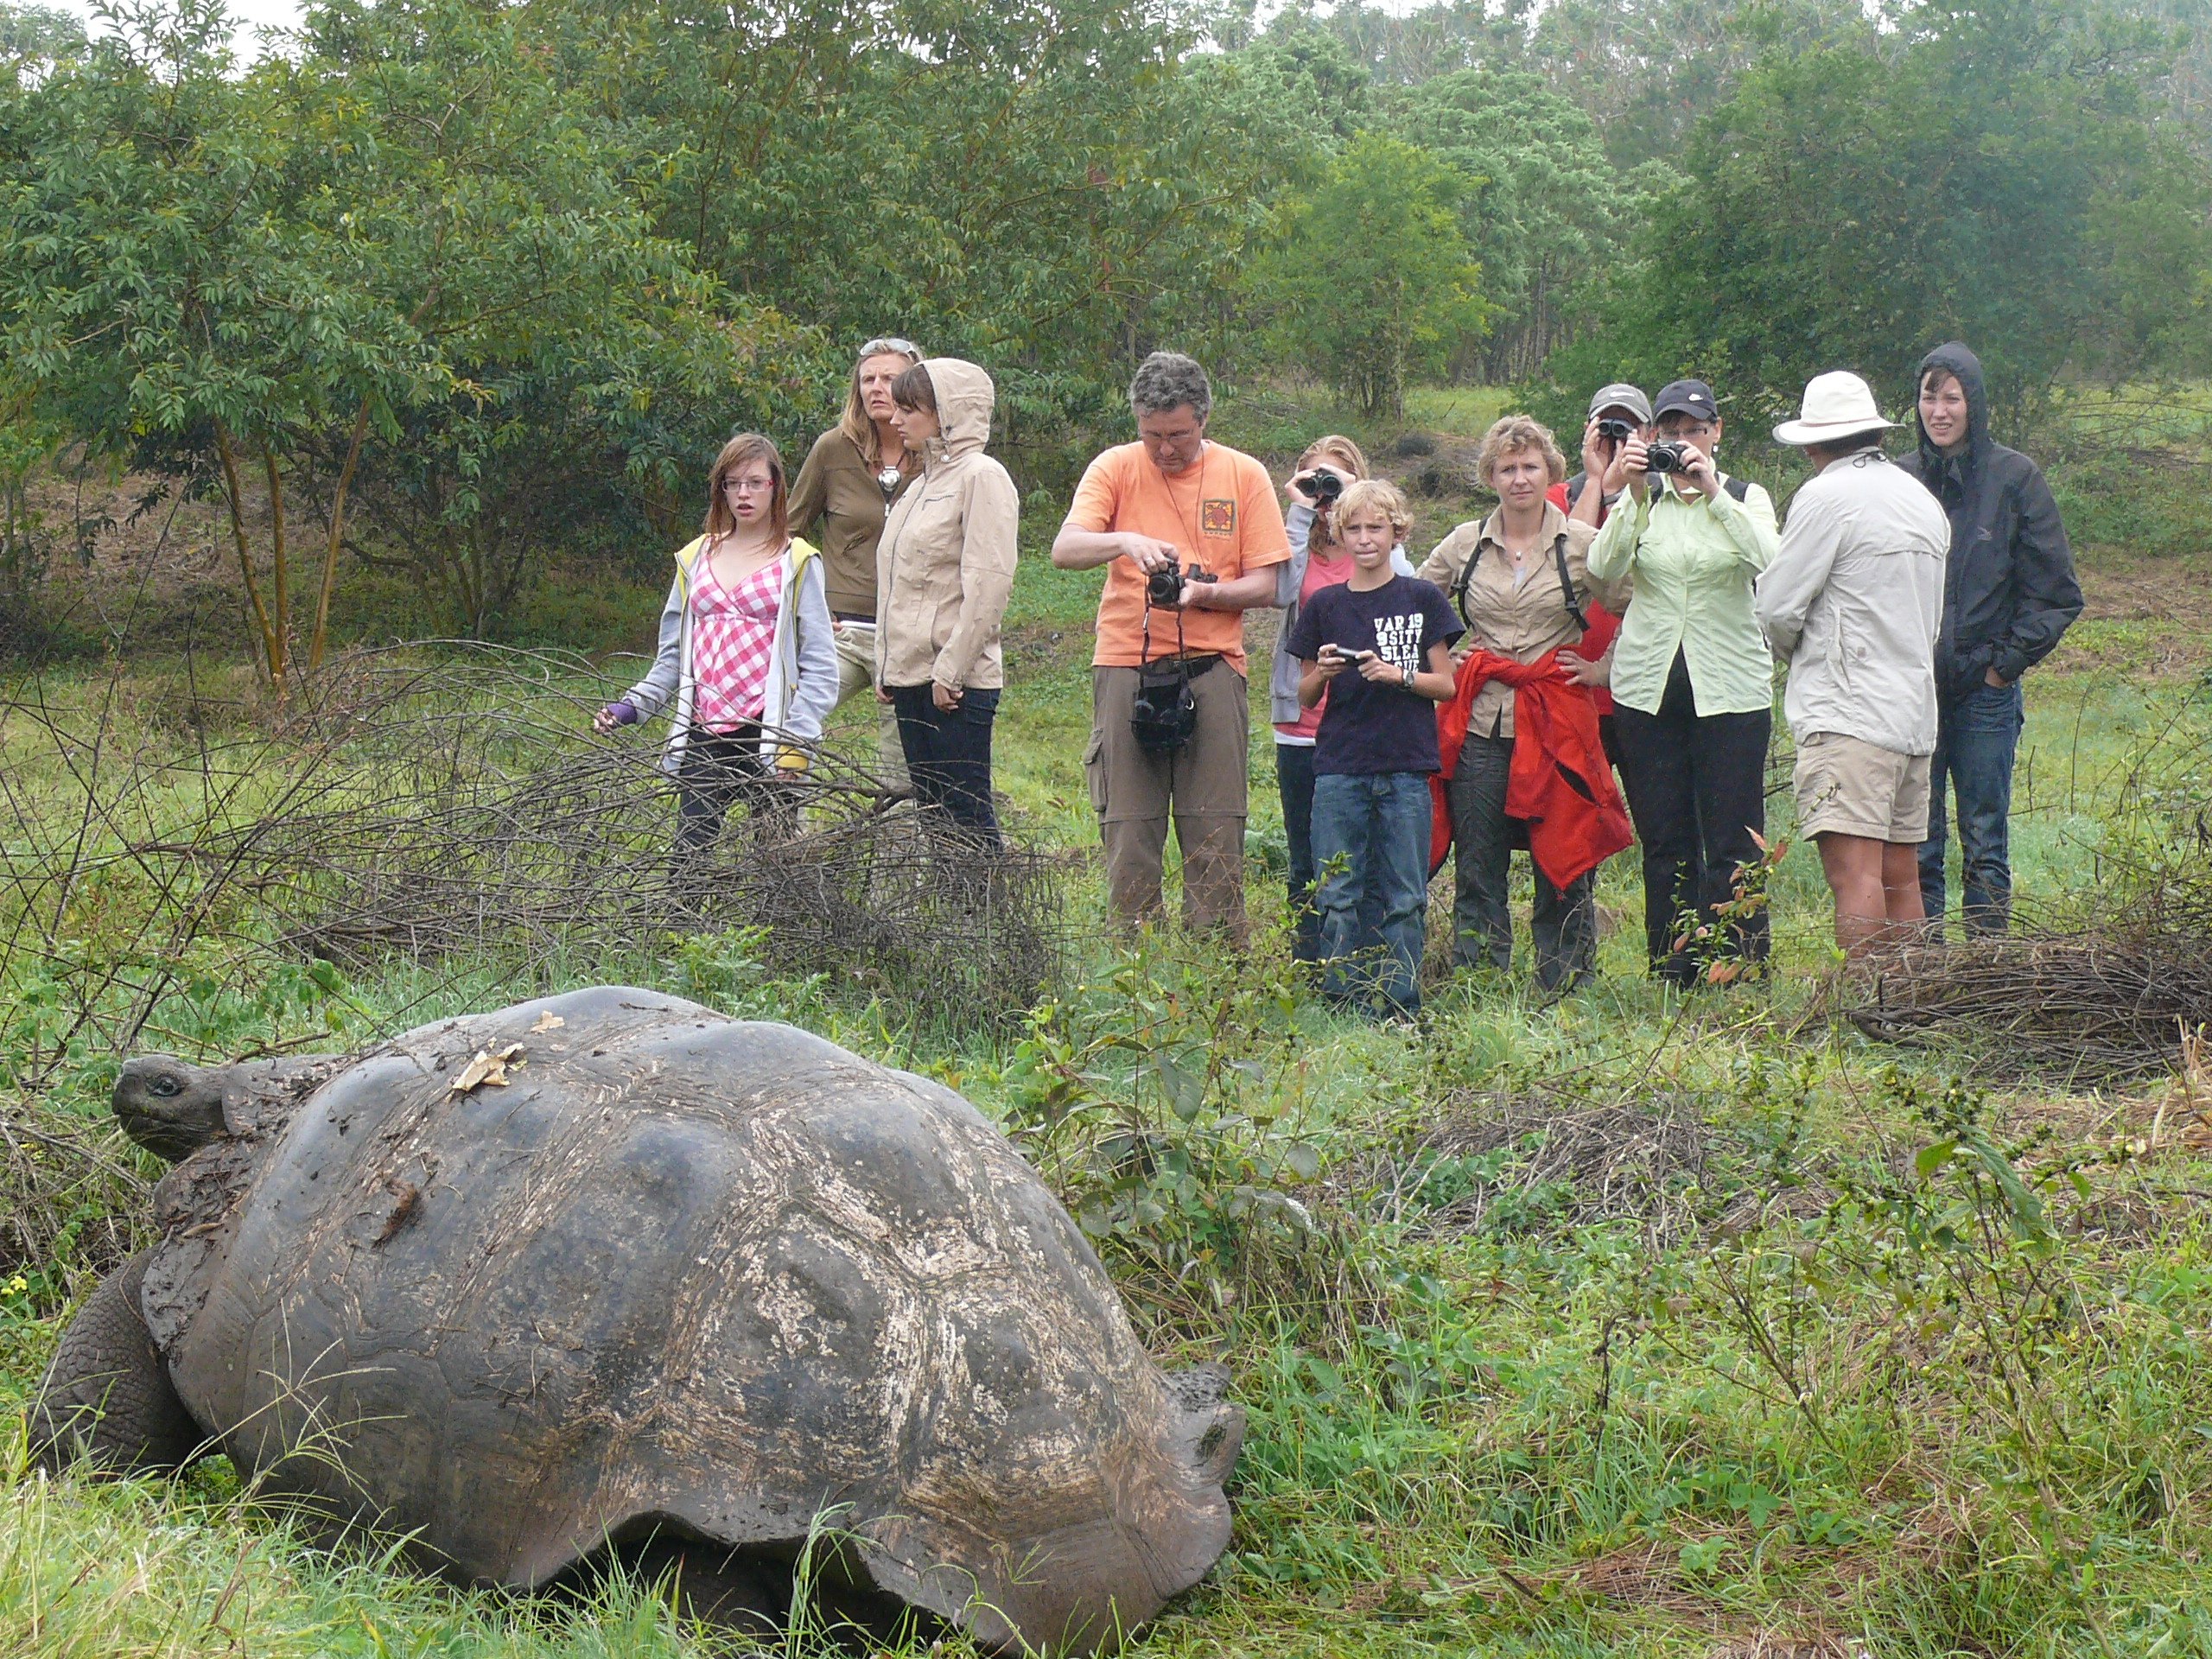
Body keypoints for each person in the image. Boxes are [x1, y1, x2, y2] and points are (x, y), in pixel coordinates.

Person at [1052, 353, 1292, 938]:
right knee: (1130, 832)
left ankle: (1214, 971)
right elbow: (1065, 549)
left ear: (1204, 419)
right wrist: (1123, 540)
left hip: (1212, 668)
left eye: (1178, 435)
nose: (1165, 449)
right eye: (1152, 434)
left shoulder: (1243, 474)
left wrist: (1200, 595)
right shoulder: (1115, 467)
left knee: (1214, 834)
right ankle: (1133, 973)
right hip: (1125, 664)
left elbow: (1270, 584)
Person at [1587, 379, 1782, 986]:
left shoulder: (1747, 497)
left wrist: (1712, 490)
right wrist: (1634, 492)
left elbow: (1769, 562)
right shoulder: (1644, 500)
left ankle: (1738, 965)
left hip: (1730, 689)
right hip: (1649, 690)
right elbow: (1601, 570)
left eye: (1695, 429)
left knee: (1733, 837)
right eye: (1671, 432)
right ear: (1653, 438)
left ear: (1717, 432)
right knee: (1666, 838)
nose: (1683, 442)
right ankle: (1674, 969)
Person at [1756, 372, 1951, 962]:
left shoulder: (1824, 497)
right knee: (1902, 877)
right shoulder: (1921, 498)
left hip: (1848, 713)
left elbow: (1776, 607)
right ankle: (1912, 1000)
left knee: (1855, 878)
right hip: (1913, 712)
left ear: (1813, 444)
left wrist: (1802, 656)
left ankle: (1866, 1008)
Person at [1417, 416, 1615, 990]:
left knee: (1566, 854)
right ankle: (1479, 980)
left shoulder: (1583, 545)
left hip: (1558, 721)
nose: (1519, 478)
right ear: (1491, 475)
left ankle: (1567, 982)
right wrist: (1440, 662)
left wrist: (1604, 669)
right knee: (1479, 859)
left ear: (1550, 471)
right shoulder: (1464, 542)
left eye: (1530, 466)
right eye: (1507, 468)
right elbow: (1412, 604)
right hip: (1480, 721)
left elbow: (1643, 604)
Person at [1898, 343, 2082, 934]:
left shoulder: (2015, 478)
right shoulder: (1899, 479)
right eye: (1930, 395)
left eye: (1952, 396)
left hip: (1985, 692)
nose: (1940, 410)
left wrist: (2001, 666)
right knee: (1917, 840)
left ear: (1973, 403)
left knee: (1983, 837)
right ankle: (1922, 974)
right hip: (1914, 690)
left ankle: (1984, 976)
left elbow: (2056, 594)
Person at [596, 434, 840, 856]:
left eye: (754, 482)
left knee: (775, 861)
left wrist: (795, 743)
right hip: (704, 728)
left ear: (775, 486)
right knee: (689, 856)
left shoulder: (797, 561)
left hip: (769, 729)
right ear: (720, 489)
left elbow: (820, 664)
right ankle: (684, 922)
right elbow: (673, 656)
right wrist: (630, 707)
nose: (743, 494)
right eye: (732, 483)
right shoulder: (694, 558)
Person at [1284, 480, 1460, 1016]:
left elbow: (1446, 684)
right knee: (1338, 890)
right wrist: (1328, 672)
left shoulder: (1421, 597)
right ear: (1338, 534)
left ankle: (1400, 1002)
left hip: (1407, 765)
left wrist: (1397, 675)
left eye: (1375, 528)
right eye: (1354, 529)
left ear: (1397, 532)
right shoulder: (1325, 604)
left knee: (1405, 894)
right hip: (1340, 765)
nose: (1364, 539)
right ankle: (1342, 1000)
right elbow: (1304, 690)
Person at [874, 358, 1019, 849]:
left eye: (909, 409)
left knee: (966, 813)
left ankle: (989, 921)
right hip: (912, 677)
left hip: (955, 684)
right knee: (935, 818)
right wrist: (885, 665)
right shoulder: (918, 486)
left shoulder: (983, 476)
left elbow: (988, 584)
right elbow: (896, 583)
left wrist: (950, 670)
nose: (896, 421)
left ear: (947, 412)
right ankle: (954, 923)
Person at [1271, 435, 1402, 965]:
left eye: (1335, 481)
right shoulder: (1300, 538)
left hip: (1364, 719)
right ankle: (1310, 966)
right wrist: (1300, 512)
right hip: (1303, 722)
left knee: (1368, 856)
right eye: (1316, 479)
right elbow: (1280, 588)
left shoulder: (1368, 539)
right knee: (1306, 857)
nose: (1325, 492)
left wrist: (1358, 498)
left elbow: (1404, 587)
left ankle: (1367, 964)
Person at [787, 336, 924, 792]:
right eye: (868, 379)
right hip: (840, 631)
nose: (876, 388)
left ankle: (898, 857)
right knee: (790, 720)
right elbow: (786, 535)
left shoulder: (938, 457)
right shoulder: (833, 450)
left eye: (889, 378)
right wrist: (804, 604)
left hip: (910, 635)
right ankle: (787, 841)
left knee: (902, 769)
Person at [1550, 383, 1653, 764]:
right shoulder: (1559, 497)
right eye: (1605, 427)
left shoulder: (1659, 498)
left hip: (1638, 684)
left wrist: (1622, 490)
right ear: (1587, 432)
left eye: (1626, 430)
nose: (1615, 440)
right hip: (1572, 682)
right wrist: (1596, 483)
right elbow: (1563, 560)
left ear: (1649, 435)